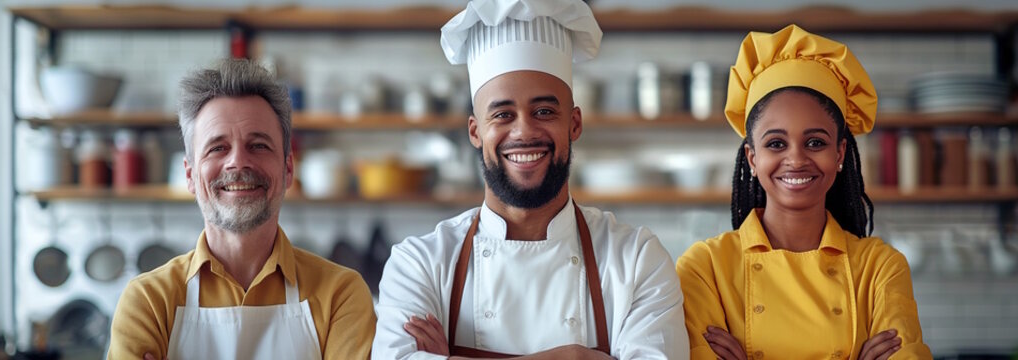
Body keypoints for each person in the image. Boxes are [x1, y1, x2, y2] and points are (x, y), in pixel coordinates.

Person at [371, 0, 688, 358]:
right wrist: (574, 356)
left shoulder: (636, 260)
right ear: (475, 131)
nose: (524, 131)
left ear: (575, 123)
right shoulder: (419, 264)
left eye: (544, 111)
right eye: (503, 114)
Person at [675, 25, 932, 360]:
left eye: (815, 142)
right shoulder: (704, 268)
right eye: (776, 143)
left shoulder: (880, 267)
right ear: (753, 158)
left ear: (839, 154)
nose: (796, 159)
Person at [107, 58, 376, 360]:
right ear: (190, 175)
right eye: (217, 148)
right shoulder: (149, 301)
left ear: (288, 169)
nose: (238, 162)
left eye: (259, 145)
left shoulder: (340, 294)